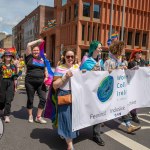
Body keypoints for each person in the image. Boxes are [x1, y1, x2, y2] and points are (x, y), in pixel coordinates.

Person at [104, 41, 141, 133]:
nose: (124, 50)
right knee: (105, 106)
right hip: (110, 89)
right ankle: (100, 120)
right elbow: (105, 74)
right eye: (123, 48)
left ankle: (129, 125)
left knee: (123, 105)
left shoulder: (119, 61)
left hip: (119, 89)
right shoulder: (109, 61)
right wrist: (117, 69)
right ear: (118, 49)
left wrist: (129, 70)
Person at [53, 48, 79, 150]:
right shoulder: (59, 68)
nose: (70, 58)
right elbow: (55, 85)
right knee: (66, 118)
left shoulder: (77, 67)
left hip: (76, 95)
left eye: (72, 56)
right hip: (64, 94)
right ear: (64, 57)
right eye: (68, 56)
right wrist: (65, 77)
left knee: (73, 119)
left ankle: (66, 134)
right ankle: (70, 145)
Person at [80, 41, 105, 146]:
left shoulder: (101, 61)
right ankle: (75, 128)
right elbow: (80, 74)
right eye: (99, 48)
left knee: (98, 111)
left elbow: (104, 74)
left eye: (101, 48)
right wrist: (90, 71)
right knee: (85, 110)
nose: (100, 49)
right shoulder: (87, 61)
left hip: (99, 91)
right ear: (94, 48)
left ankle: (96, 135)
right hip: (89, 91)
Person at [25, 39, 48, 124]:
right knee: (30, 99)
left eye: (37, 50)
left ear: (39, 51)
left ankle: (38, 117)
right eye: (34, 50)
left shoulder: (42, 59)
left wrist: (46, 76)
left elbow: (45, 69)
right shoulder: (29, 57)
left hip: (41, 82)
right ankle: (30, 115)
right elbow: (28, 44)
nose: (35, 51)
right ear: (32, 51)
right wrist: (38, 41)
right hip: (30, 82)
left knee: (43, 99)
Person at [128, 48, 146, 123]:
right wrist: (133, 69)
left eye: (141, 52)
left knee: (138, 99)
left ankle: (130, 112)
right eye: (139, 52)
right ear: (135, 54)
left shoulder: (143, 62)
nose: (140, 53)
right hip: (133, 83)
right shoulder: (131, 62)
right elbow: (128, 73)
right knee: (133, 99)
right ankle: (134, 115)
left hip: (141, 83)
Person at [0, 51, 18, 123]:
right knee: (2, 98)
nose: (8, 57)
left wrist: (15, 86)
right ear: (4, 57)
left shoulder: (13, 66)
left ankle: (7, 115)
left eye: (9, 56)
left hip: (10, 82)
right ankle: (1, 108)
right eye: (6, 56)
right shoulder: (1, 65)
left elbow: (15, 77)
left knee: (8, 99)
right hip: (2, 82)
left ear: (11, 57)